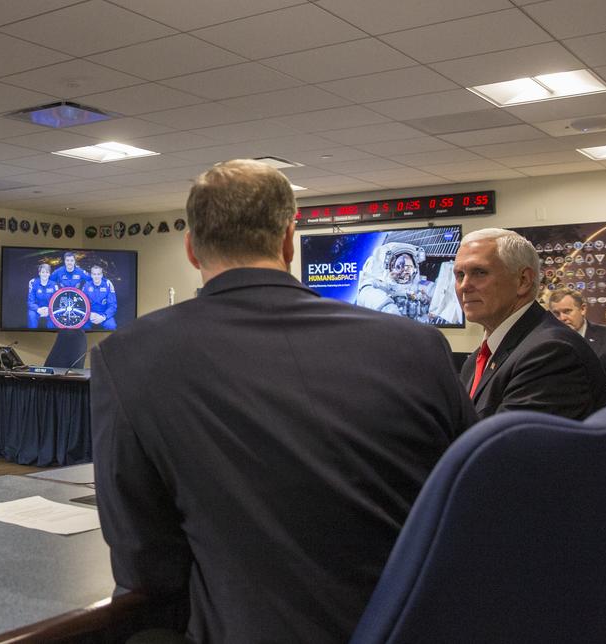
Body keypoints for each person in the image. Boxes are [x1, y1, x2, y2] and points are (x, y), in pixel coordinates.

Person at [91, 159, 476, 643]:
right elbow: (471, 507)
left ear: (190, 249)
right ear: (289, 240)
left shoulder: (125, 357)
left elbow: (145, 559)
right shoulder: (417, 345)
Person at [454, 229, 606, 419]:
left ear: (523, 280)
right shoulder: (477, 360)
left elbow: (508, 445)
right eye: (459, 275)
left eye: (479, 272)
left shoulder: (550, 352)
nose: (464, 285)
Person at [355, 241, 459, 325]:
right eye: (399, 266)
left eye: (409, 266)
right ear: (388, 268)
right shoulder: (378, 287)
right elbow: (366, 293)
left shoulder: (420, 285)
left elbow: (441, 294)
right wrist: (389, 310)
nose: (405, 270)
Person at [547, 287, 606, 384]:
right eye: (556, 313)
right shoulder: (545, 341)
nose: (562, 318)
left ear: (582, 309)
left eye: (567, 311)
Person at [81, 264, 117, 330]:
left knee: (112, 326)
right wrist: (89, 314)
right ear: (91, 275)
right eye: (94, 274)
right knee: (82, 327)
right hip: (90, 314)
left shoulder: (108, 285)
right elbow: (82, 304)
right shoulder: (86, 285)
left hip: (104, 313)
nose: (96, 276)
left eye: (98, 274)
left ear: (102, 275)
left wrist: (103, 317)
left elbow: (113, 305)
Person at [26, 263, 58, 329]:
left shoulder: (54, 285)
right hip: (36, 309)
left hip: (49, 309)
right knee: (31, 314)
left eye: (47, 272)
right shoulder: (33, 283)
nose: (45, 274)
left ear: (49, 274)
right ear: (39, 273)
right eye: (43, 272)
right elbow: (30, 302)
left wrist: (49, 310)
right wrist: (37, 309)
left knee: (54, 317)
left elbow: (57, 302)